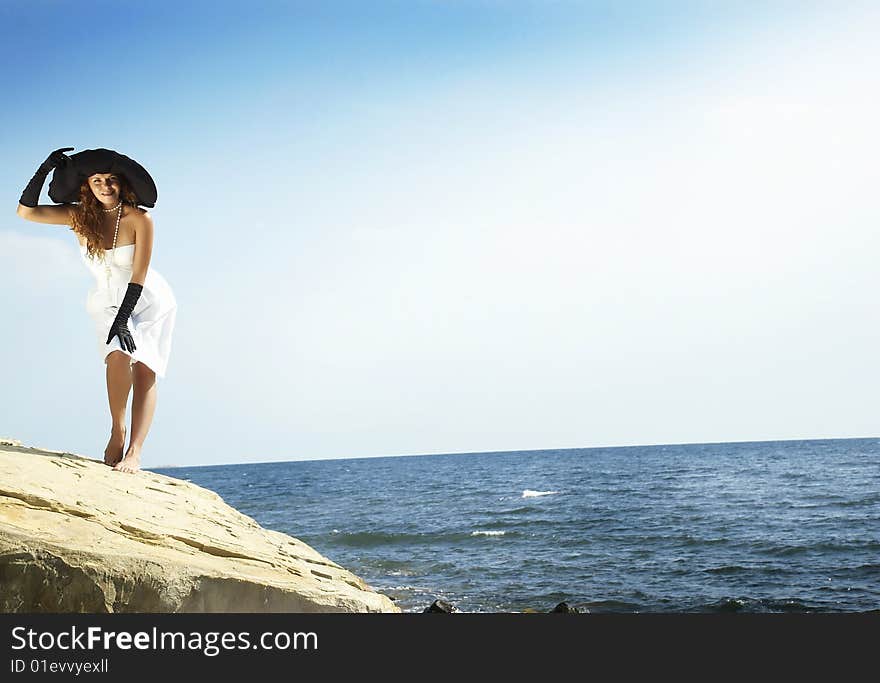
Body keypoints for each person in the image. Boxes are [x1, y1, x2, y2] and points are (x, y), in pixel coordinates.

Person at [16, 147, 177, 473]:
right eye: (97, 180)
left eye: (112, 180)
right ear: (86, 185)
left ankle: (134, 452)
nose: (105, 186)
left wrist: (124, 319)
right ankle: (117, 430)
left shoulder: (139, 219)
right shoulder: (78, 217)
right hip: (105, 298)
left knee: (145, 368)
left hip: (147, 300)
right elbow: (25, 212)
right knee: (117, 355)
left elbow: (139, 275)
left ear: (123, 184)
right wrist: (46, 166)